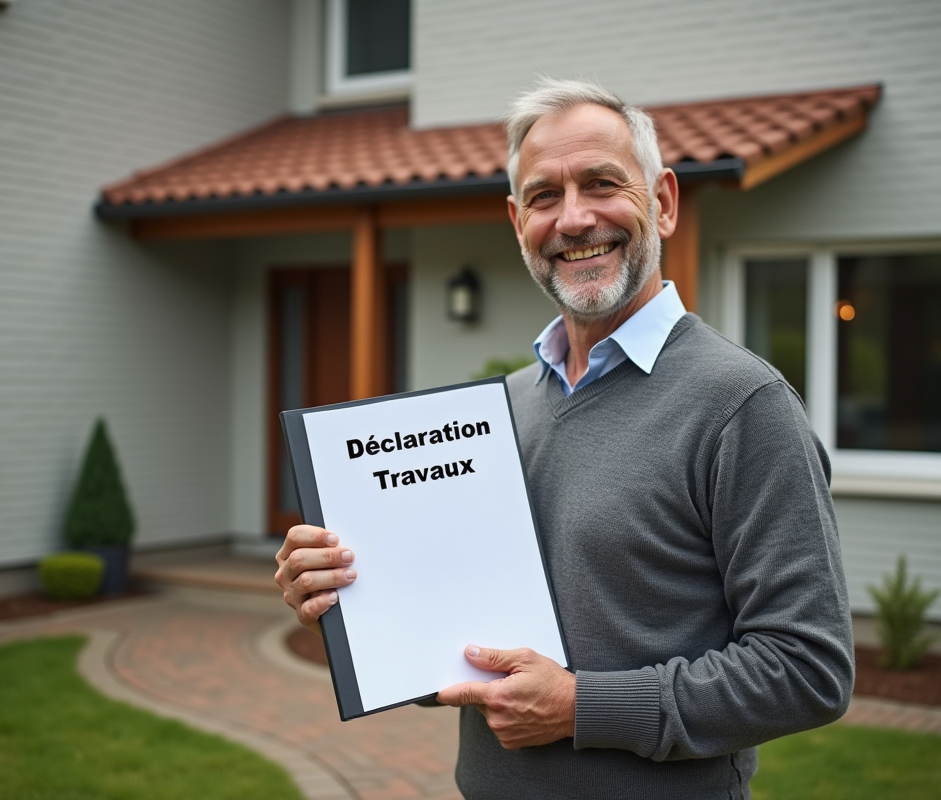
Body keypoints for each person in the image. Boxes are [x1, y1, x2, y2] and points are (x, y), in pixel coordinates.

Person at [275, 78, 854, 799]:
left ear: (664, 203)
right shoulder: (502, 408)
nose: (575, 219)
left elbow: (807, 668)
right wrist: (352, 607)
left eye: (602, 184)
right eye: (545, 197)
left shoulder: (743, 406)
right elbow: (463, 655)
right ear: (519, 223)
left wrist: (581, 707)